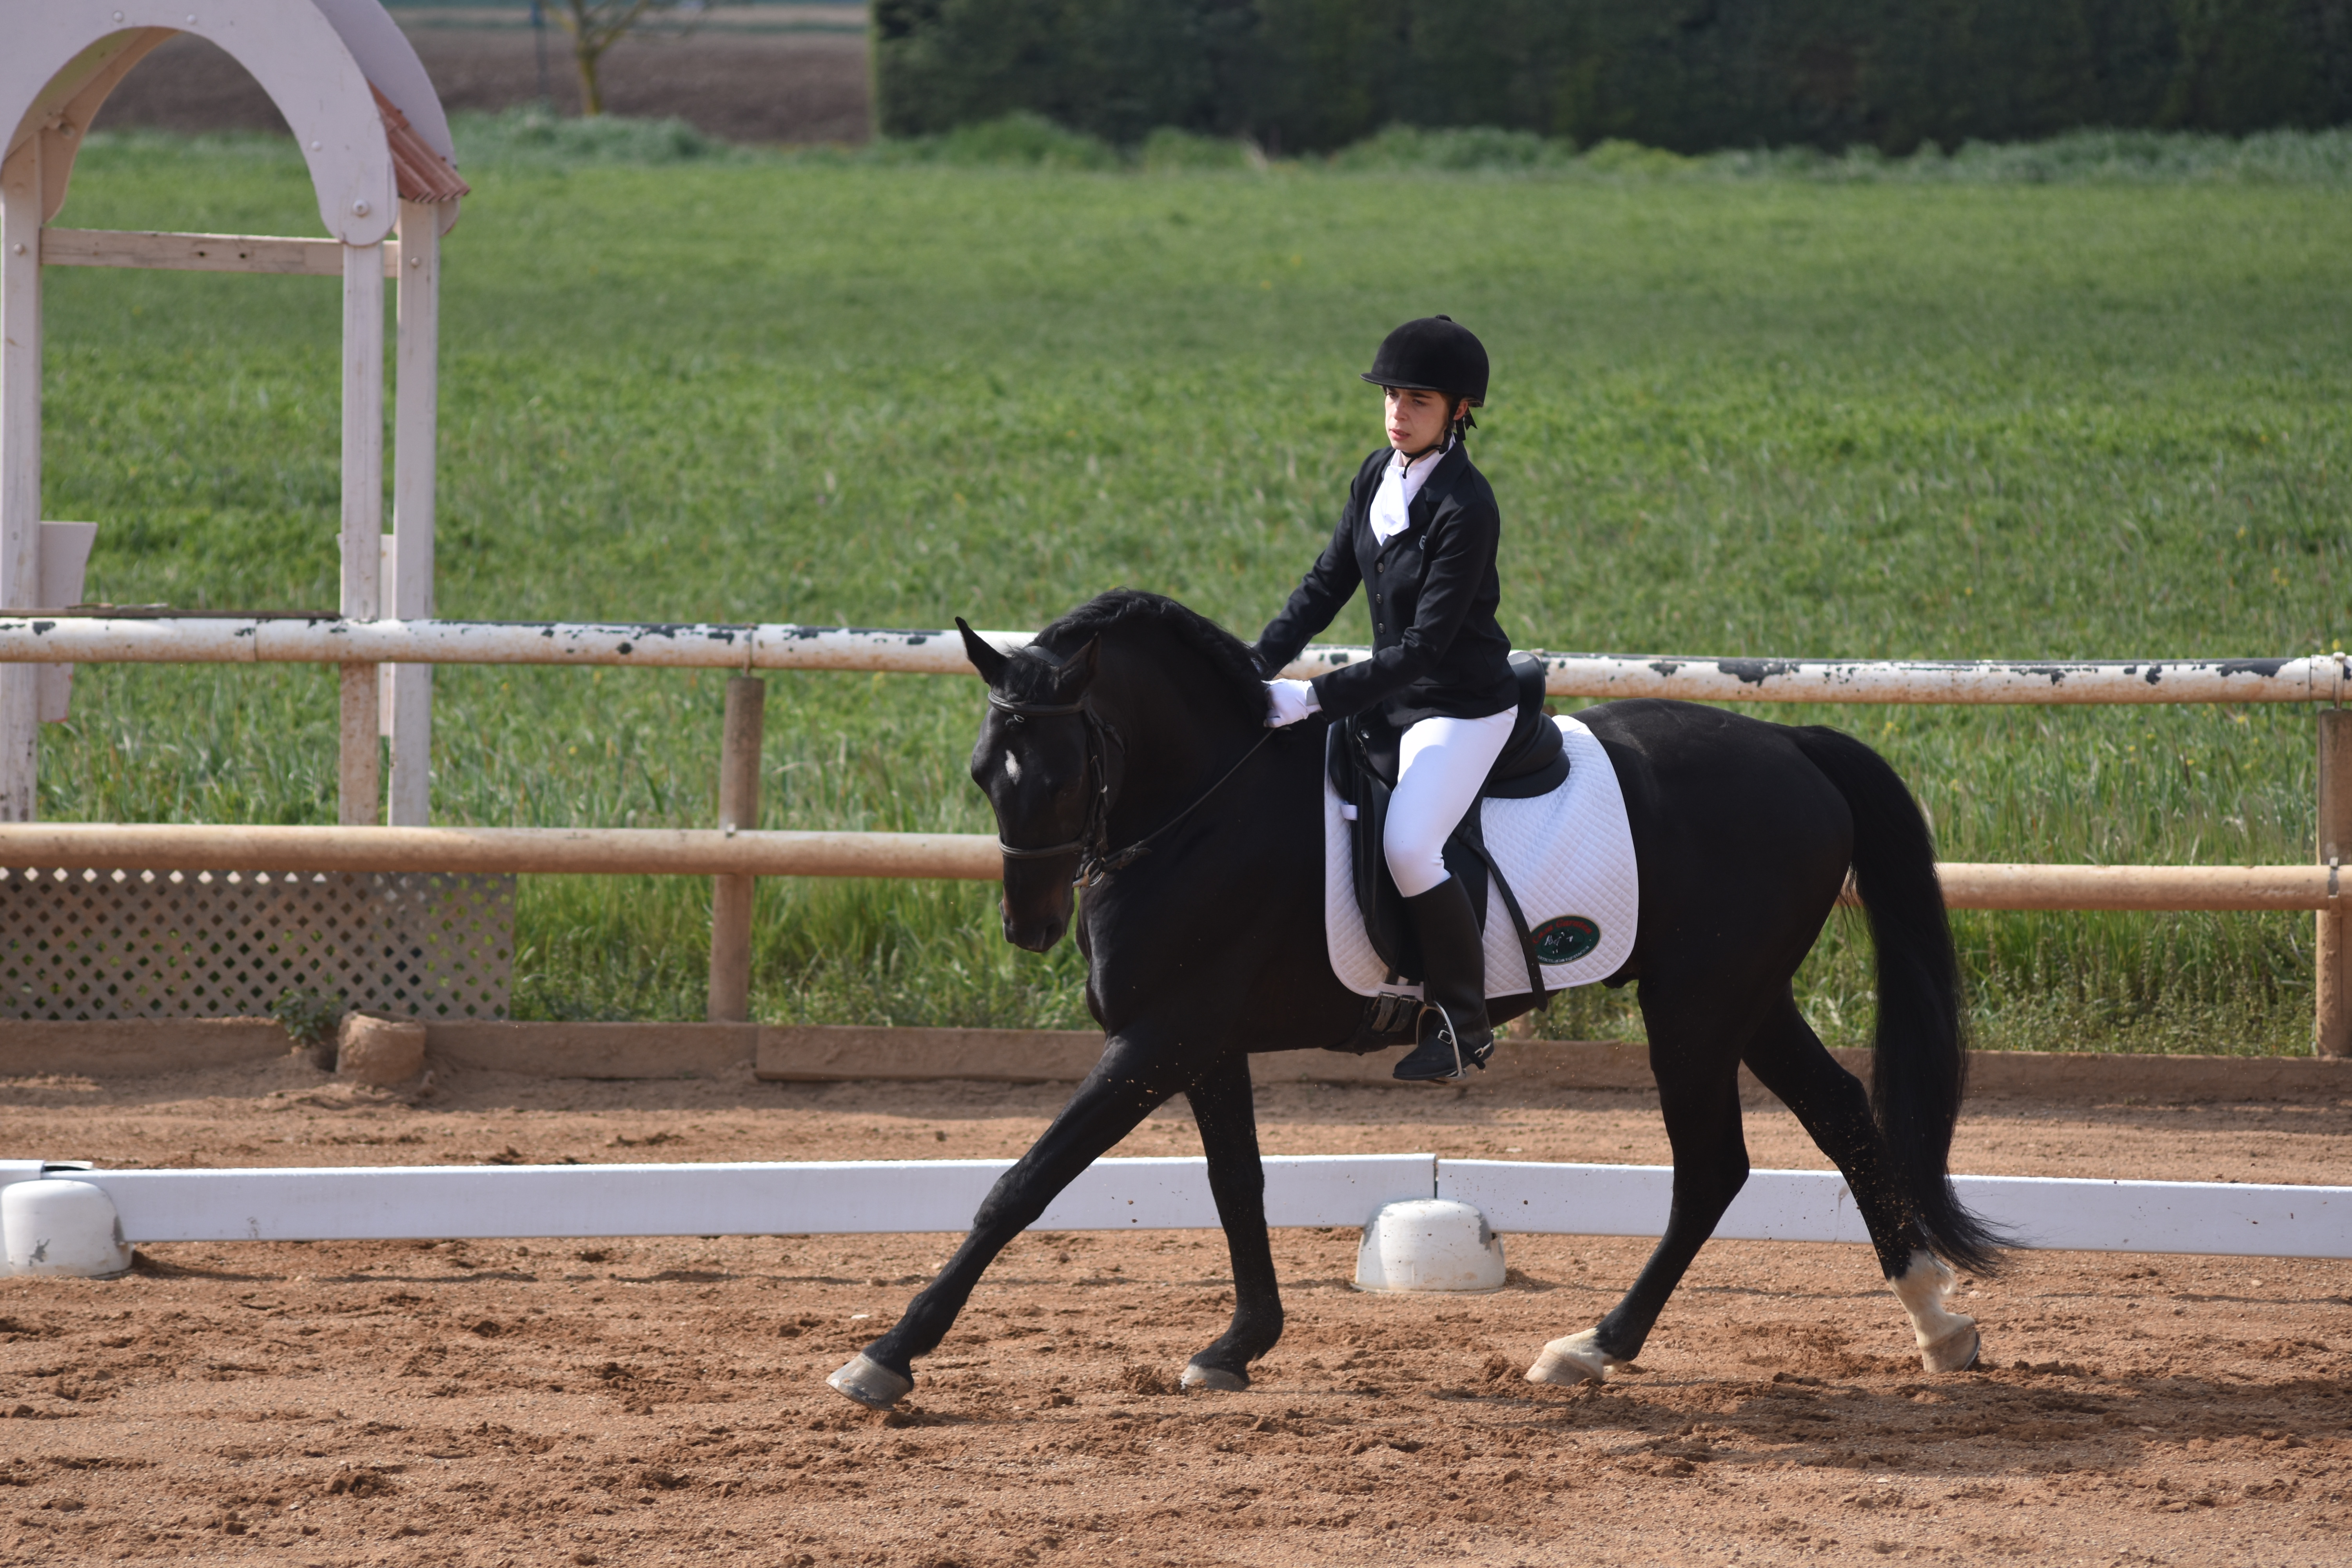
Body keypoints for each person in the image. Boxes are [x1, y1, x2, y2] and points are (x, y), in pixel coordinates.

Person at [1254, 316, 1518, 1082]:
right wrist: (1251, 663)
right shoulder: (1378, 473)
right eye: (1391, 396)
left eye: (1419, 400)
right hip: (1393, 697)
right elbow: (1325, 583)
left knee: (1408, 843)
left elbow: (1425, 649)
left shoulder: (1467, 507)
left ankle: (1464, 1023)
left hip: (1459, 705)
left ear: (1460, 410)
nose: (1398, 412)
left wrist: (1312, 698)